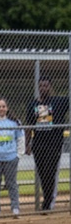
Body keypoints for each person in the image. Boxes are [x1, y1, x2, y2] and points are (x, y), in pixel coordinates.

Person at [26, 77, 69, 211]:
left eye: (46, 86)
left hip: (54, 144)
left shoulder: (59, 102)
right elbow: (29, 126)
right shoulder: (33, 104)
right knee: (42, 172)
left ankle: (48, 202)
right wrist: (27, 144)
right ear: (38, 88)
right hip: (39, 144)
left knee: (51, 171)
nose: (43, 88)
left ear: (50, 87)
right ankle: (48, 197)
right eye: (41, 86)